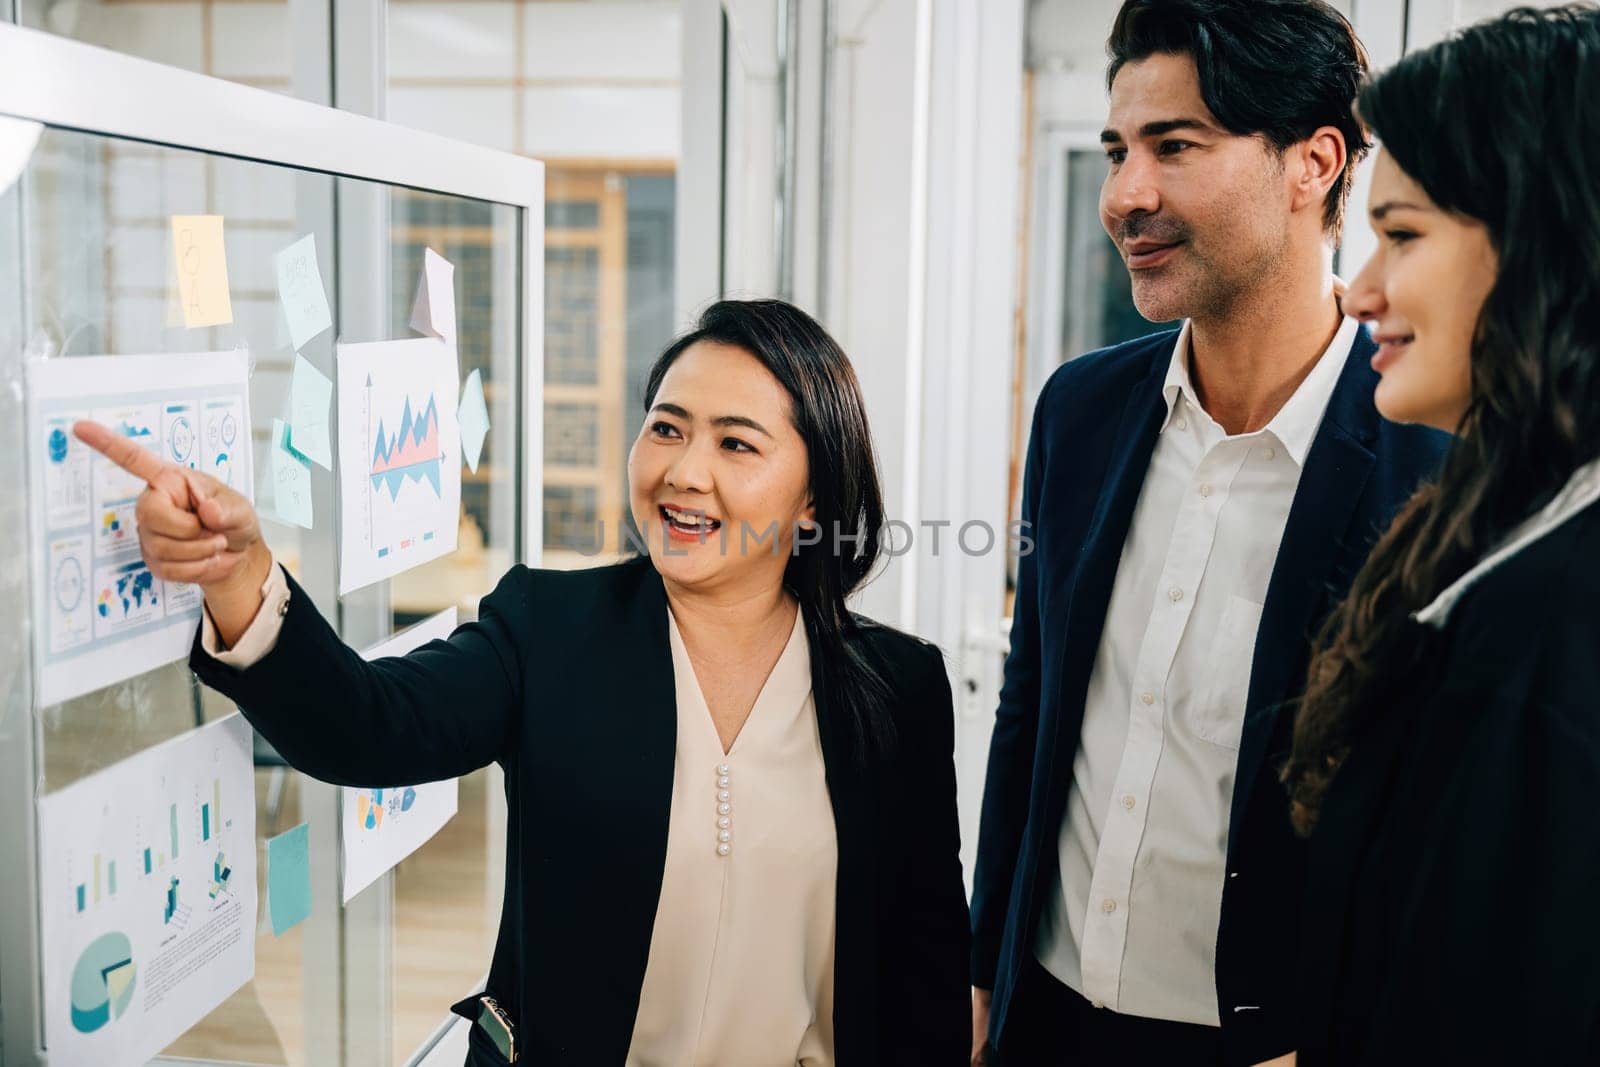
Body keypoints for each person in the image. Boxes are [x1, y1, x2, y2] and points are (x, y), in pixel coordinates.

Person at [76, 299, 971, 1066]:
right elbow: (367, 724)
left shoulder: (896, 687)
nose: (683, 471)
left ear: (814, 496)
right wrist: (239, 574)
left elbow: (925, 955)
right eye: (666, 426)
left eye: (737, 444)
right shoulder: (552, 630)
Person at [968, 2, 1451, 1064]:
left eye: (1173, 147)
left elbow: (1430, 826)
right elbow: (1033, 698)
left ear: (1312, 163)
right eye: (1115, 151)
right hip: (1040, 1010)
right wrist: (979, 967)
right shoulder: (1078, 411)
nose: (1123, 196)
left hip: (1265, 1040)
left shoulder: (1434, 460)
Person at [1281, 6, 1600, 1062]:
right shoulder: (1499, 542)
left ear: (1550, 238)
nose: (1361, 287)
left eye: (1403, 233)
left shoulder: (1557, 624)